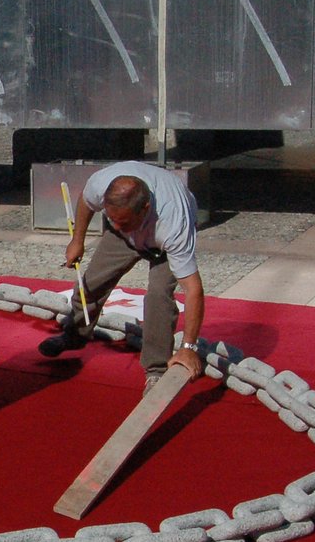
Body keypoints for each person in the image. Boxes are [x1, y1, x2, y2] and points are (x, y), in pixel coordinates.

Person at [37, 160, 205, 392]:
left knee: (158, 297)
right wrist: (78, 241)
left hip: (163, 244)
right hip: (128, 235)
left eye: (121, 221)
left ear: (145, 208)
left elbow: (194, 289)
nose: (114, 224)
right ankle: (75, 334)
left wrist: (188, 347)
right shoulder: (102, 186)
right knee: (91, 284)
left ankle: (156, 369)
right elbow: (86, 203)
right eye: (110, 218)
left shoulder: (175, 226)